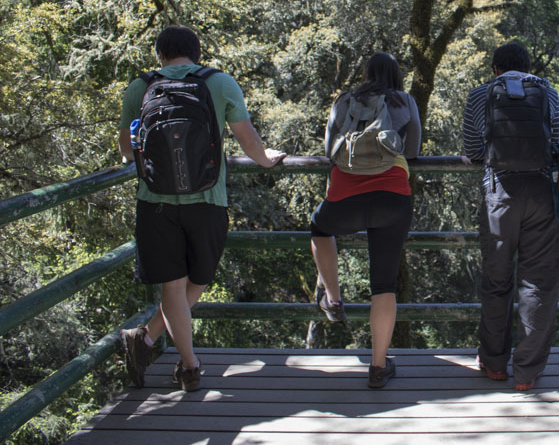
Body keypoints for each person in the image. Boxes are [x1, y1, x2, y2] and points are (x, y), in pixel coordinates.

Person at [118, 25, 285, 392]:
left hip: (155, 203)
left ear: (160, 53)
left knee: (173, 287)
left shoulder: (139, 87)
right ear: (196, 52)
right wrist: (267, 159)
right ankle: (188, 367)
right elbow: (248, 140)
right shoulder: (221, 83)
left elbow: (127, 152)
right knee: (200, 279)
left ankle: (146, 341)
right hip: (209, 199)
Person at [310, 52, 421, 389]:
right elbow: (412, 149)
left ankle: (333, 297)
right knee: (384, 285)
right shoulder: (404, 101)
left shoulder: (345, 101)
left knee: (319, 228)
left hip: (345, 197)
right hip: (392, 197)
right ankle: (377, 366)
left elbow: (330, 148)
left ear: (366, 73)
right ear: (396, 76)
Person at [462, 43, 559, 391]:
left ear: (495, 69)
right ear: (528, 66)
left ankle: (493, 364)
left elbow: (472, 149)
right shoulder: (547, 91)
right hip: (541, 193)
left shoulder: (480, 94)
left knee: (496, 280)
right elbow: (556, 141)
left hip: (499, 195)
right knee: (538, 282)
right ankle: (527, 371)